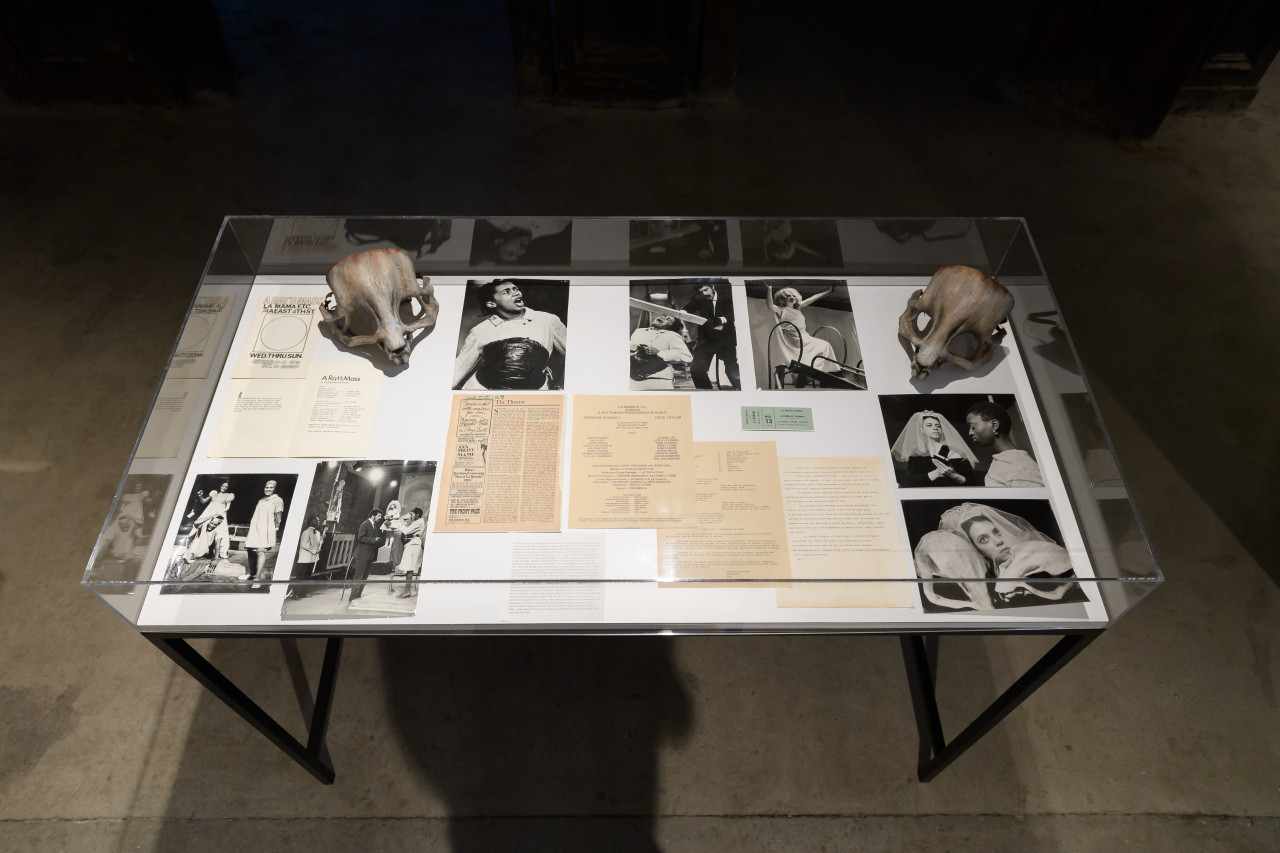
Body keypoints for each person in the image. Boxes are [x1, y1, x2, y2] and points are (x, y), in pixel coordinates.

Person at [937, 502, 1079, 606]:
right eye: (983, 539)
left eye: (996, 532)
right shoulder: (989, 582)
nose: (998, 541)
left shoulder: (1037, 553)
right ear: (975, 551)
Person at [452, 280, 568, 390]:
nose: (516, 292)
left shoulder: (547, 320)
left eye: (515, 289)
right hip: (485, 391)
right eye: (506, 292)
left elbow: (573, 356)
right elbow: (460, 367)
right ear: (491, 304)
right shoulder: (480, 330)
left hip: (535, 393)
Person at [765, 284, 839, 386]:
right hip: (793, 339)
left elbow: (813, 298)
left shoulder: (798, 308)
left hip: (804, 336)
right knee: (823, 345)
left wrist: (829, 291)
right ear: (783, 299)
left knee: (826, 345)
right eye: (788, 296)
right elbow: (770, 305)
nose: (792, 297)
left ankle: (819, 372)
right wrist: (769, 290)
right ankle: (807, 375)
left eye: (793, 296)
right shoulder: (781, 310)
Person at [965, 401, 1044, 487]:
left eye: (973, 427)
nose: (970, 433)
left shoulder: (1016, 464)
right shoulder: (1003, 460)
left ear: (994, 425)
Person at [891, 410, 978, 486]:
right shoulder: (917, 453)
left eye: (938, 426)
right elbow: (910, 482)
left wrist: (955, 476)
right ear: (922, 429)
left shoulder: (955, 452)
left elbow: (972, 483)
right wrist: (936, 473)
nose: (935, 428)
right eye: (929, 425)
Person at [683, 283, 740, 390]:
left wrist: (724, 319)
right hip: (706, 340)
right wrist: (683, 311)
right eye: (701, 292)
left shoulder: (727, 296)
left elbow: (737, 311)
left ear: (712, 287)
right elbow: (689, 307)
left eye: (706, 290)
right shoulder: (700, 299)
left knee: (731, 369)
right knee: (696, 370)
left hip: (725, 339)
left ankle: (741, 390)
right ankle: (707, 393)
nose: (704, 294)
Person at [629, 312, 692, 389]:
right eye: (664, 316)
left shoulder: (671, 335)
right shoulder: (639, 331)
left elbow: (687, 356)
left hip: (658, 378)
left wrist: (659, 352)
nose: (663, 317)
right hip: (633, 377)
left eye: (668, 319)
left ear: (671, 326)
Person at [242, 480, 285, 585]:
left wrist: (275, 528)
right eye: (266, 487)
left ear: (274, 489)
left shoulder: (278, 500)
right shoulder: (261, 500)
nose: (268, 489)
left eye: (271, 487)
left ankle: (257, 578)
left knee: (260, 551)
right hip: (255, 528)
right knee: (250, 550)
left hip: (266, 528)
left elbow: (278, 516)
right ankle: (252, 574)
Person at [482, 218, 570, 262]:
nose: (521, 252)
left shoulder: (495, 218)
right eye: (518, 256)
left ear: (499, 242)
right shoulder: (555, 227)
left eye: (511, 252)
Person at [190, 481, 234, 560]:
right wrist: (201, 495)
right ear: (220, 486)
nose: (224, 488)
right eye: (223, 486)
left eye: (226, 487)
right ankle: (202, 550)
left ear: (228, 488)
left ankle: (213, 552)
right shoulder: (214, 493)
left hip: (219, 514)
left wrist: (220, 514)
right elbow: (203, 501)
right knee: (205, 530)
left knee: (217, 532)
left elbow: (227, 507)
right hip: (209, 513)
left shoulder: (228, 495)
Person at [347, 508, 384, 602]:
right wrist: (374, 540)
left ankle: (358, 595)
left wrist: (377, 540)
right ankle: (353, 596)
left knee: (364, 576)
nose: (380, 518)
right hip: (362, 555)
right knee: (358, 576)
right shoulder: (364, 524)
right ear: (373, 516)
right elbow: (360, 538)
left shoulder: (374, 525)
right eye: (379, 516)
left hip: (370, 555)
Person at [285, 516, 324, 601]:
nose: (318, 522)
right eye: (315, 520)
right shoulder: (306, 532)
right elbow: (304, 544)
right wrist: (315, 550)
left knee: (307, 577)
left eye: (318, 520)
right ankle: (295, 595)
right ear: (310, 522)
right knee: (300, 577)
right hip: (305, 558)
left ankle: (302, 594)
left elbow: (317, 544)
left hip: (312, 559)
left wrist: (321, 539)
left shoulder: (317, 532)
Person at [392, 507, 425, 599]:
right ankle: (407, 591)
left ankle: (407, 591)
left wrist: (402, 520)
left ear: (417, 514)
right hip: (412, 544)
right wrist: (405, 522)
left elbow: (406, 531)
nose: (410, 516)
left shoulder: (419, 522)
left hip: (413, 545)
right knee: (408, 568)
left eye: (412, 514)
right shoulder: (417, 522)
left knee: (409, 568)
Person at [380, 499, 404, 569]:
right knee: (387, 534)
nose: (392, 506)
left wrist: (392, 517)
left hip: (393, 522)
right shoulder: (389, 511)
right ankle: (386, 544)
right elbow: (386, 516)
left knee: (391, 535)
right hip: (388, 522)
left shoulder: (396, 511)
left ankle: (390, 545)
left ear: (395, 506)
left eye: (393, 505)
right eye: (391, 505)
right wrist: (387, 517)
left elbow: (398, 516)